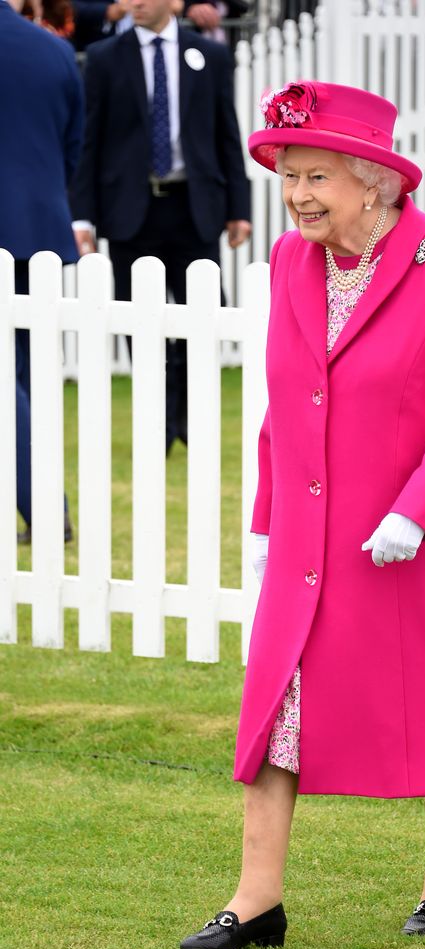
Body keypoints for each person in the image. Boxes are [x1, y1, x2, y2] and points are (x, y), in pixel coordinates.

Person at [179, 80, 425, 949]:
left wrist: (415, 512)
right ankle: (255, 900)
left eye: (316, 176)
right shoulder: (291, 262)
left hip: (411, 539)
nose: (297, 197)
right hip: (308, 532)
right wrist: (263, 519)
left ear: (374, 182)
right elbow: (285, 398)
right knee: (276, 704)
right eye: (288, 176)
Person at [69, 0, 251, 453]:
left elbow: (226, 132)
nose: (136, 2)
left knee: (203, 318)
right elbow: (89, 142)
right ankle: (160, 422)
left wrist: (238, 206)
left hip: (194, 208)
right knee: (140, 323)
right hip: (132, 211)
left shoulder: (208, 55)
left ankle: (190, 419)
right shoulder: (105, 58)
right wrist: (83, 216)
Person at [0, 0, 83, 544]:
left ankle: (46, 510)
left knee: (10, 383)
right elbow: (73, 146)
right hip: (41, 233)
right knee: (24, 377)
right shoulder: (54, 49)